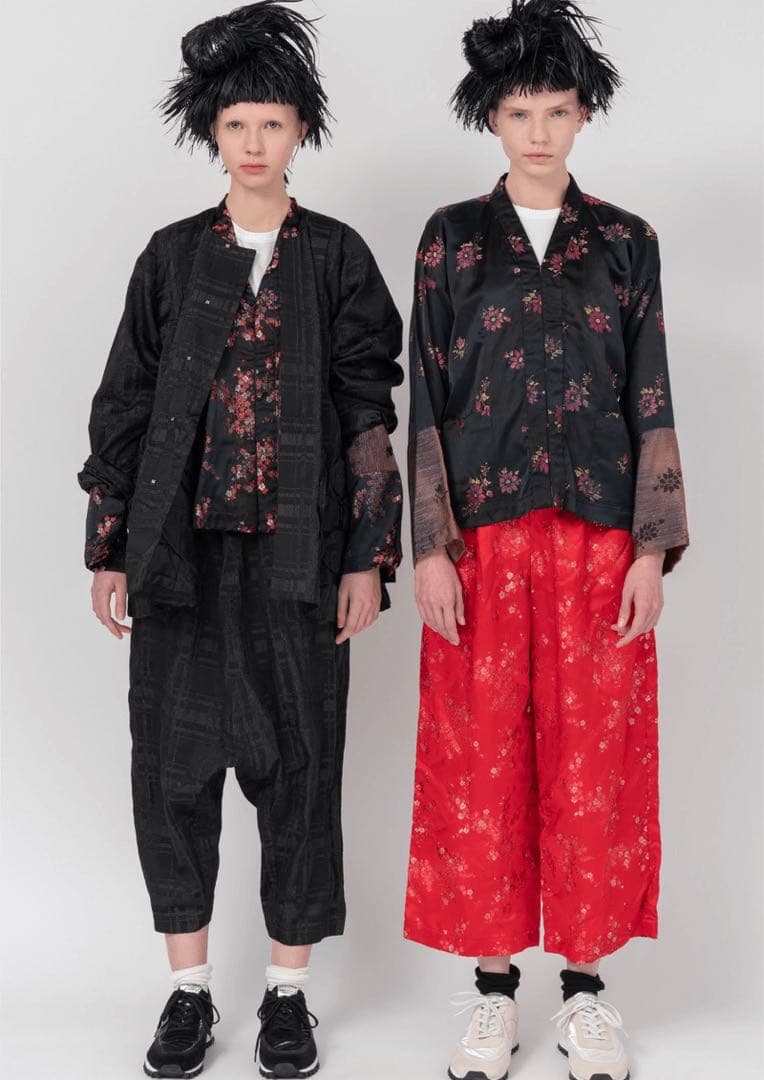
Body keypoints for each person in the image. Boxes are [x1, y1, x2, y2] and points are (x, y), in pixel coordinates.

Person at [77, 3, 404, 1076]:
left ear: (301, 129)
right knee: (171, 771)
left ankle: (286, 995)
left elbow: (367, 414)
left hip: (300, 559)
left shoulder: (338, 257)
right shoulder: (172, 257)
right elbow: (125, 403)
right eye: (235, 126)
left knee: (301, 766)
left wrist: (368, 557)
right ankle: (186, 994)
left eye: (271, 123)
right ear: (210, 134)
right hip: (178, 557)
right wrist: (110, 544)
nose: (253, 143)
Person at [403, 3, 689, 1079]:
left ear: (582, 117)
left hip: (598, 538)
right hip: (480, 540)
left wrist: (650, 547)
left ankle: (584, 993)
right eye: (519, 112)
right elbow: (424, 395)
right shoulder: (449, 238)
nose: (537, 131)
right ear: (491, 117)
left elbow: (651, 391)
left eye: (556, 111)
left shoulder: (625, 242)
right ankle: (491, 995)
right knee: (478, 755)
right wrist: (429, 545)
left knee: (593, 759)